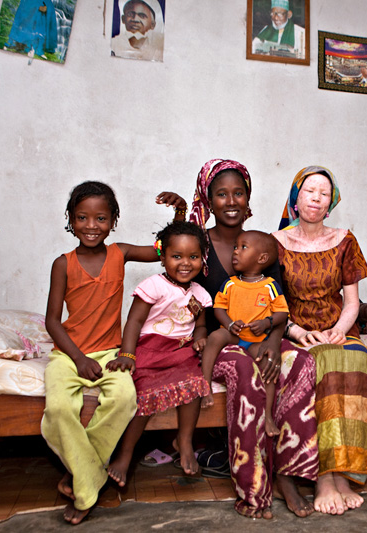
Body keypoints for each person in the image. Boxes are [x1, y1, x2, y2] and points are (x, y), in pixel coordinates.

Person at [157, 158, 317, 519]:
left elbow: (279, 303)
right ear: (208, 200)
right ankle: (253, 488)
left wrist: (276, 345)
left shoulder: (263, 244)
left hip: (263, 337)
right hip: (220, 342)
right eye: (221, 194)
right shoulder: (198, 243)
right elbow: (184, 297)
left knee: (302, 361)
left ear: (248, 198)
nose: (231, 201)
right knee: (247, 371)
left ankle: (287, 473)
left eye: (238, 193)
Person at [42, 181, 172, 525]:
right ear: (71, 219)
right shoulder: (62, 263)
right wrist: (79, 359)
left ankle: (81, 475)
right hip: (68, 353)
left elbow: (168, 249)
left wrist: (179, 212)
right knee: (57, 408)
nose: (91, 226)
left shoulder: (121, 253)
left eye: (101, 218)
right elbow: (52, 321)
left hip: (111, 352)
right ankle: (90, 480)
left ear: (113, 221)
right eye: (82, 217)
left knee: (124, 399)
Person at [273, 166, 367, 516]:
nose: (316, 197)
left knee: (359, 363)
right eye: (309, 190)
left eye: (324, 193)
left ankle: (345, 473)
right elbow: (272, 301)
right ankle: (324, 475)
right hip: (296, 333)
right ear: (295, 198)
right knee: (318, 364)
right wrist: (296, 331)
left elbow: (352, 300)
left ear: (331, 203)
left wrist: (340, 329)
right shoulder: (276, 243)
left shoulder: (344, 240)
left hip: (339, 330)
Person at [105, 221, 213, 487]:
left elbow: (200, 325)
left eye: (193, 257)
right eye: (176, 256)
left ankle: (184, 442)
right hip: (150, 351)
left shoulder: (200, 293)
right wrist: (127, 355)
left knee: (194, 384)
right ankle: (125, 454)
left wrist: (200, 339)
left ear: (203, 258)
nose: (185, 263)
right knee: (143, 396)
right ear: (162, 258)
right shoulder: (152, 285)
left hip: (180, 351)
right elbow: (133, 323)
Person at [200, 230, 289, 440]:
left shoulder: (270, 286)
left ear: (262, 258)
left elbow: (282, 313)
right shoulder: (230, 283)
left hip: (256, 341)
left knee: (268, 364)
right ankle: (205, 388)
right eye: (235, 247)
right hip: (233, 335)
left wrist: (267, 322)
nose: (236, 252)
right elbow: (218, 308)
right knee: (214, 338)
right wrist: (229, 324)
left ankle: (268, 416)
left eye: (243, 247)